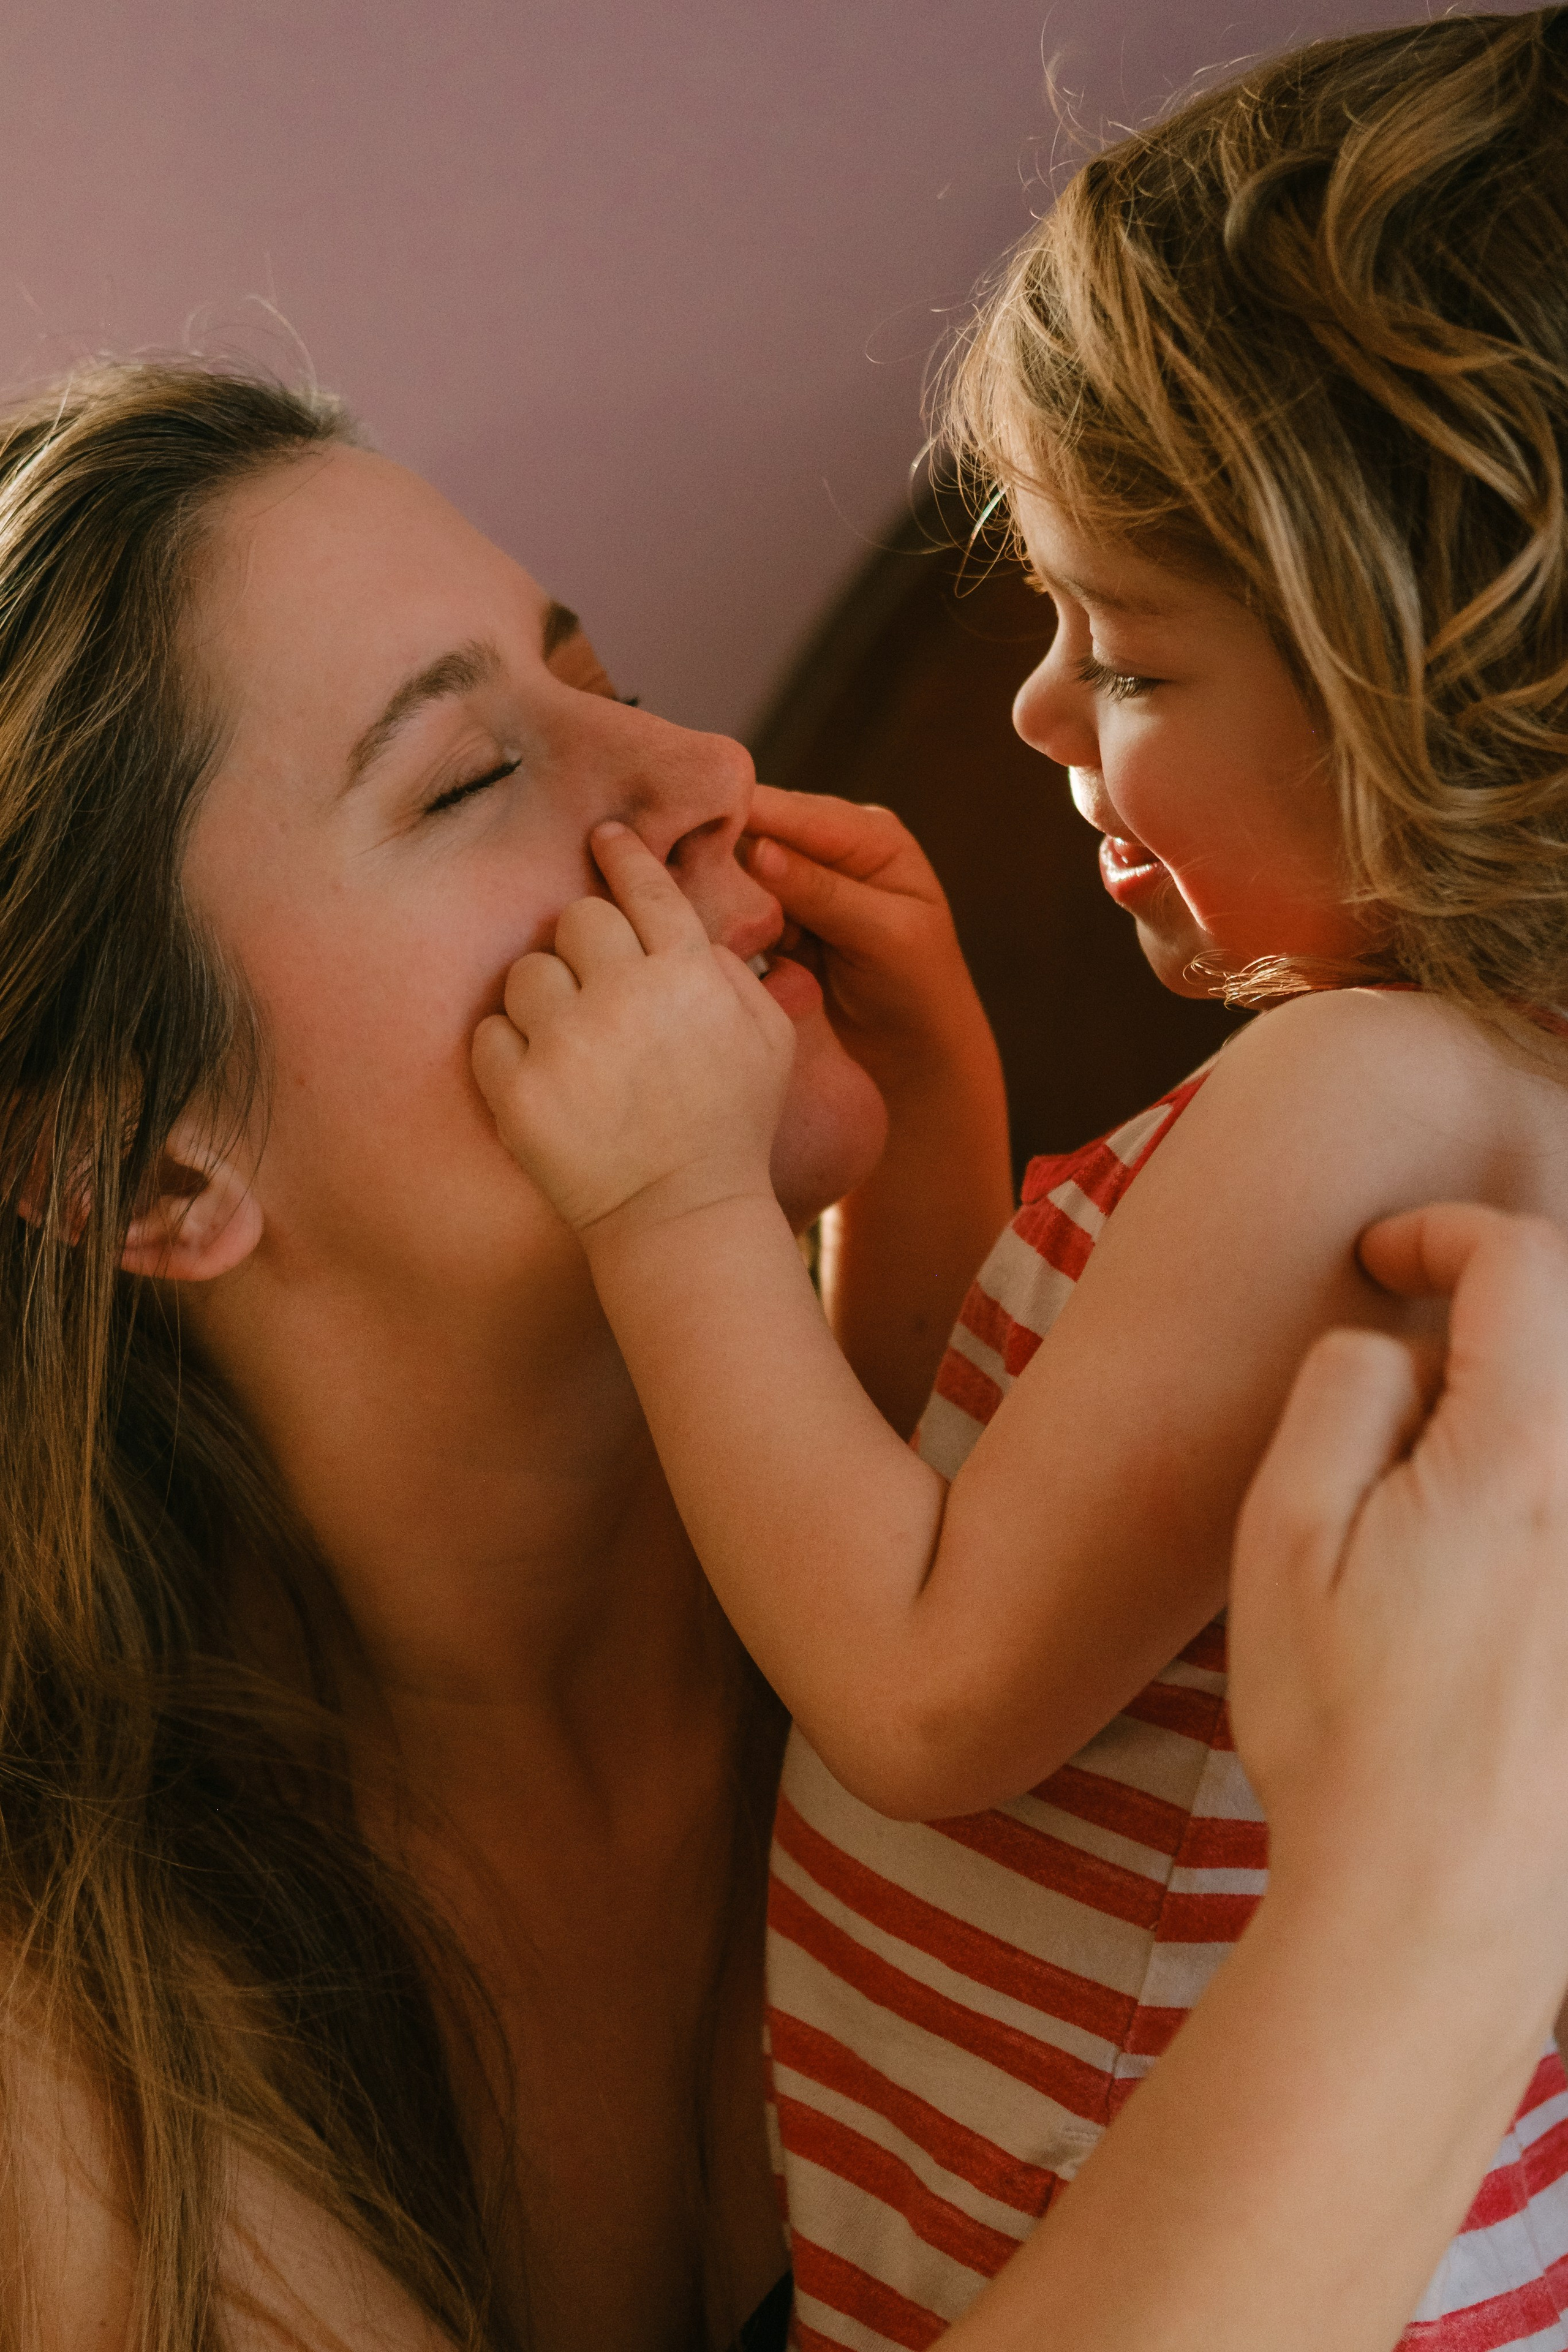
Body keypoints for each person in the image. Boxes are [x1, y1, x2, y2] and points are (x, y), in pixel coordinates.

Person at [0, 355, 1563, 2352]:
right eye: (467, 778)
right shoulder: (75, 2040)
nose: (702, 773)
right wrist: (1437, 1907)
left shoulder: (1062, 1582)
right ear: (139, 1164)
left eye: (614, 683)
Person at [475, 9, 1568, 2345]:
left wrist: (673, 1207)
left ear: (1451, 686)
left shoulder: (1362, 1086)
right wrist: (939, 1127)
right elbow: (1003, 1558)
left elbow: (926, 1699)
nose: (1038, 709)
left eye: (1132, 658)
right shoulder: (1455, 1098)